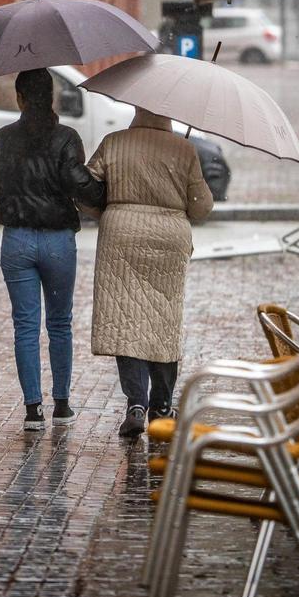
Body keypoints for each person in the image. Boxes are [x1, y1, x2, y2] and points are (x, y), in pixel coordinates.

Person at [0, 68, 108, 431]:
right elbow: (78, 183)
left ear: (20, 98)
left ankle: (32, 409)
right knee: (59, 323)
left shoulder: (1, 139)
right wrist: (104, 193)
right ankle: (63, 404)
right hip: (57, 241)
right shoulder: (66, 138)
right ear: (52, 97)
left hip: (17, 239)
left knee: (25, 326)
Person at [85, 107, 213, 438]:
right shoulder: (183, 149)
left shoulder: (114, 142)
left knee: (124, 320)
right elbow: (201, 206)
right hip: (169, 239)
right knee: (163, 322)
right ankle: (161, 404)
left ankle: (136, 404)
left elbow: (86, 192)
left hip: (121, 234)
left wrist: (110, 210)